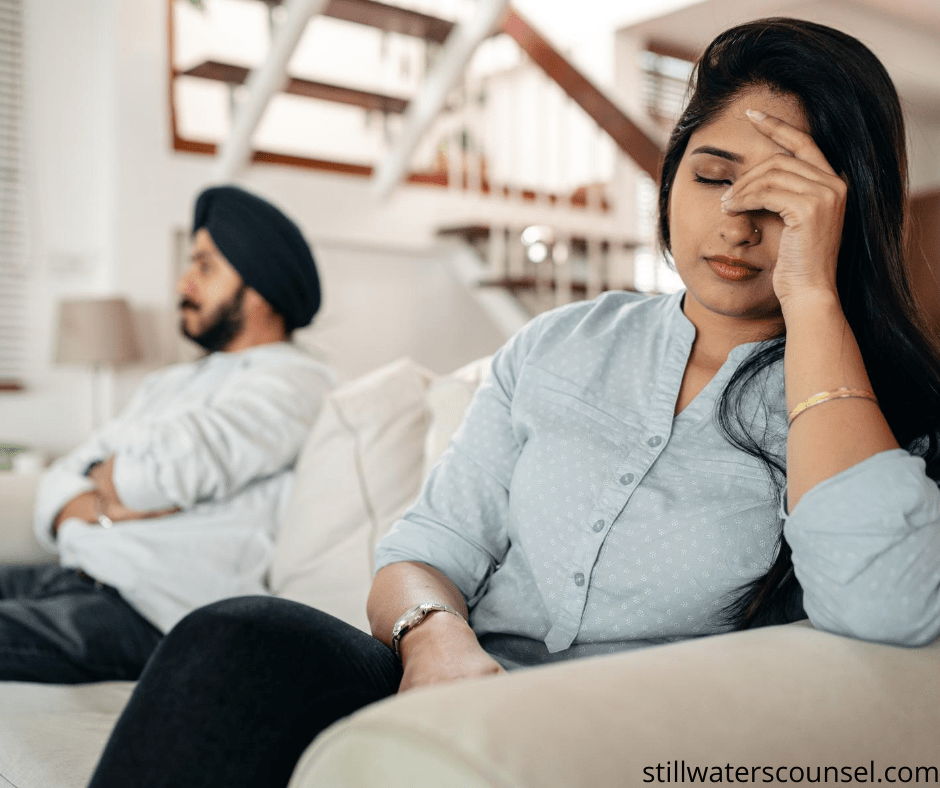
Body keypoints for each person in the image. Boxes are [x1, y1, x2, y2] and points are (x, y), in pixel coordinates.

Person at [88, 17, 940, 787]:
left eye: (783, 200)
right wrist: (435, 640)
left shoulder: (876, 409)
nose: (737, 224)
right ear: (672, 174)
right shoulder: (559, 343)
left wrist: (815, 301)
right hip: (447, 685)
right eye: (712, 176)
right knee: (236, 638)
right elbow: (426, 548)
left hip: (621, 740)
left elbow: (887, 608)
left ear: (842, 213)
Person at [0, 185, 334, 684]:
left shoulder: (296, 381)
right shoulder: (171, 382)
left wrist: (117, 483)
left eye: (204, 266)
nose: (183, 281)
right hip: (68, 578)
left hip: (146, 612)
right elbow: (61, 478)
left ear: (262, 288)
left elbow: (150, 476)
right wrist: (103, 505)